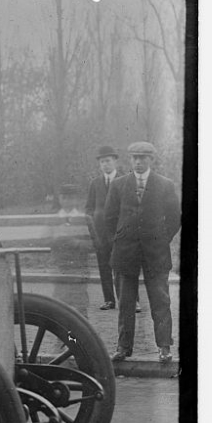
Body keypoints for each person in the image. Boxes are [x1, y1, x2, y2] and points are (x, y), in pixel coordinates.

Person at [104, 141, 181, 363]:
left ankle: (164, 347)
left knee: (160, 302)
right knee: (125, 304)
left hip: (156, 253)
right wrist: (119, 240)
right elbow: (109, 219)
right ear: (130, 159)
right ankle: (123, 347)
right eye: (135, 157)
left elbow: (175, 218)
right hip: (125, 252)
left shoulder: (165, 185)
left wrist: (160, 239)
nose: (138, 161)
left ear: (152, 160)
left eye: (143, 158)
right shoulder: (118, 185)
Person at [84, 146, 120, 310]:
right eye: (102, 161)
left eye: (108, 160)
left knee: (123, 267)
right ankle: (109, 300)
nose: (105, 164)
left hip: (120, 234)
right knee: (104, 267)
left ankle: (131, 300)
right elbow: (89, 209)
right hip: (101, 235)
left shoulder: (125, 180)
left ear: (115, 161)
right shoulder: (95, 183)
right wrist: (94, 230)